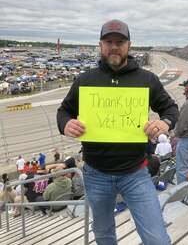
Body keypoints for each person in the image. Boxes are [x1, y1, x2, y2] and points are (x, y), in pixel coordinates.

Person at [57, 19, 179, 245]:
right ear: (100, 45)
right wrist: (65, 124)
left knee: (157, 239)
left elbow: (170, 108)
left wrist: (166, 122)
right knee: (104, 235)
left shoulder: (147, 79)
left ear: (128, 45)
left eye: (119, 41)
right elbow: (64, 110)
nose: (114, 46)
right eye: (108, 41)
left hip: (136, 173)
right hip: (96, 174)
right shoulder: (85, 80)